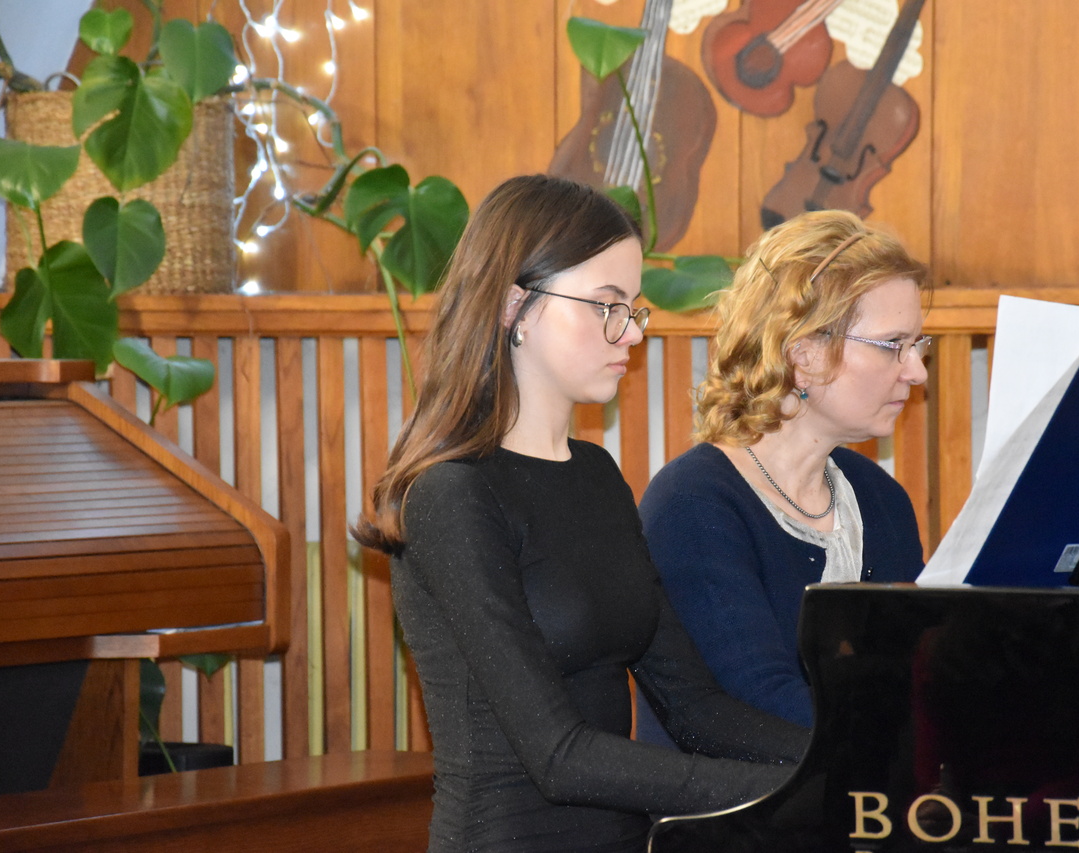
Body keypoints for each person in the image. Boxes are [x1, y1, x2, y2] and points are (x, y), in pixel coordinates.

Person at [353, 174, 808, 853]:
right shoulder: (451, 494)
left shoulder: (596, 474)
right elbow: (558, 755)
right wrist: (792, 792)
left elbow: (695, 707)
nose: (630, 333)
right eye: (605, 305)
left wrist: (846, 759)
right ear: (515, 306)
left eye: (633, 309)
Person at [637, 210, 928, 743]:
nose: (916, 371)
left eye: (917, 345)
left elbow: (917, 673)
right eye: (894, 345)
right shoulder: (692, 504)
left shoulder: (881, 498)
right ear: (803, 354)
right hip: (745, 795)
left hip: (863, 786)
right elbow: (757, 701)